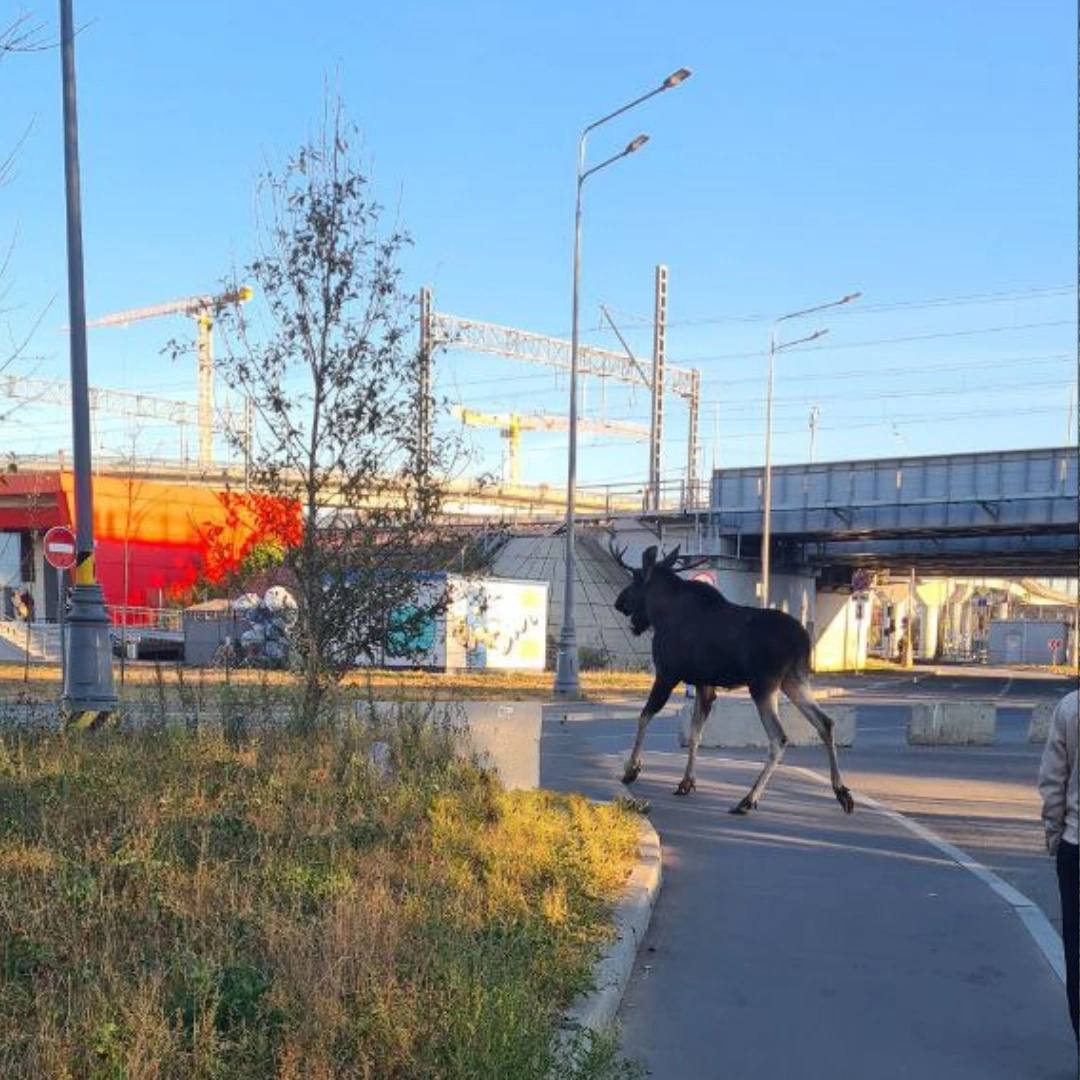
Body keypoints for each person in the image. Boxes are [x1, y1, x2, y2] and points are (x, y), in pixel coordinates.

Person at [1038, 688, 1079, 1041]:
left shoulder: (1071, 707)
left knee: (1078, 953)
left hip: (1076, 848)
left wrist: (1054, 833)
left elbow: (1053, 782)